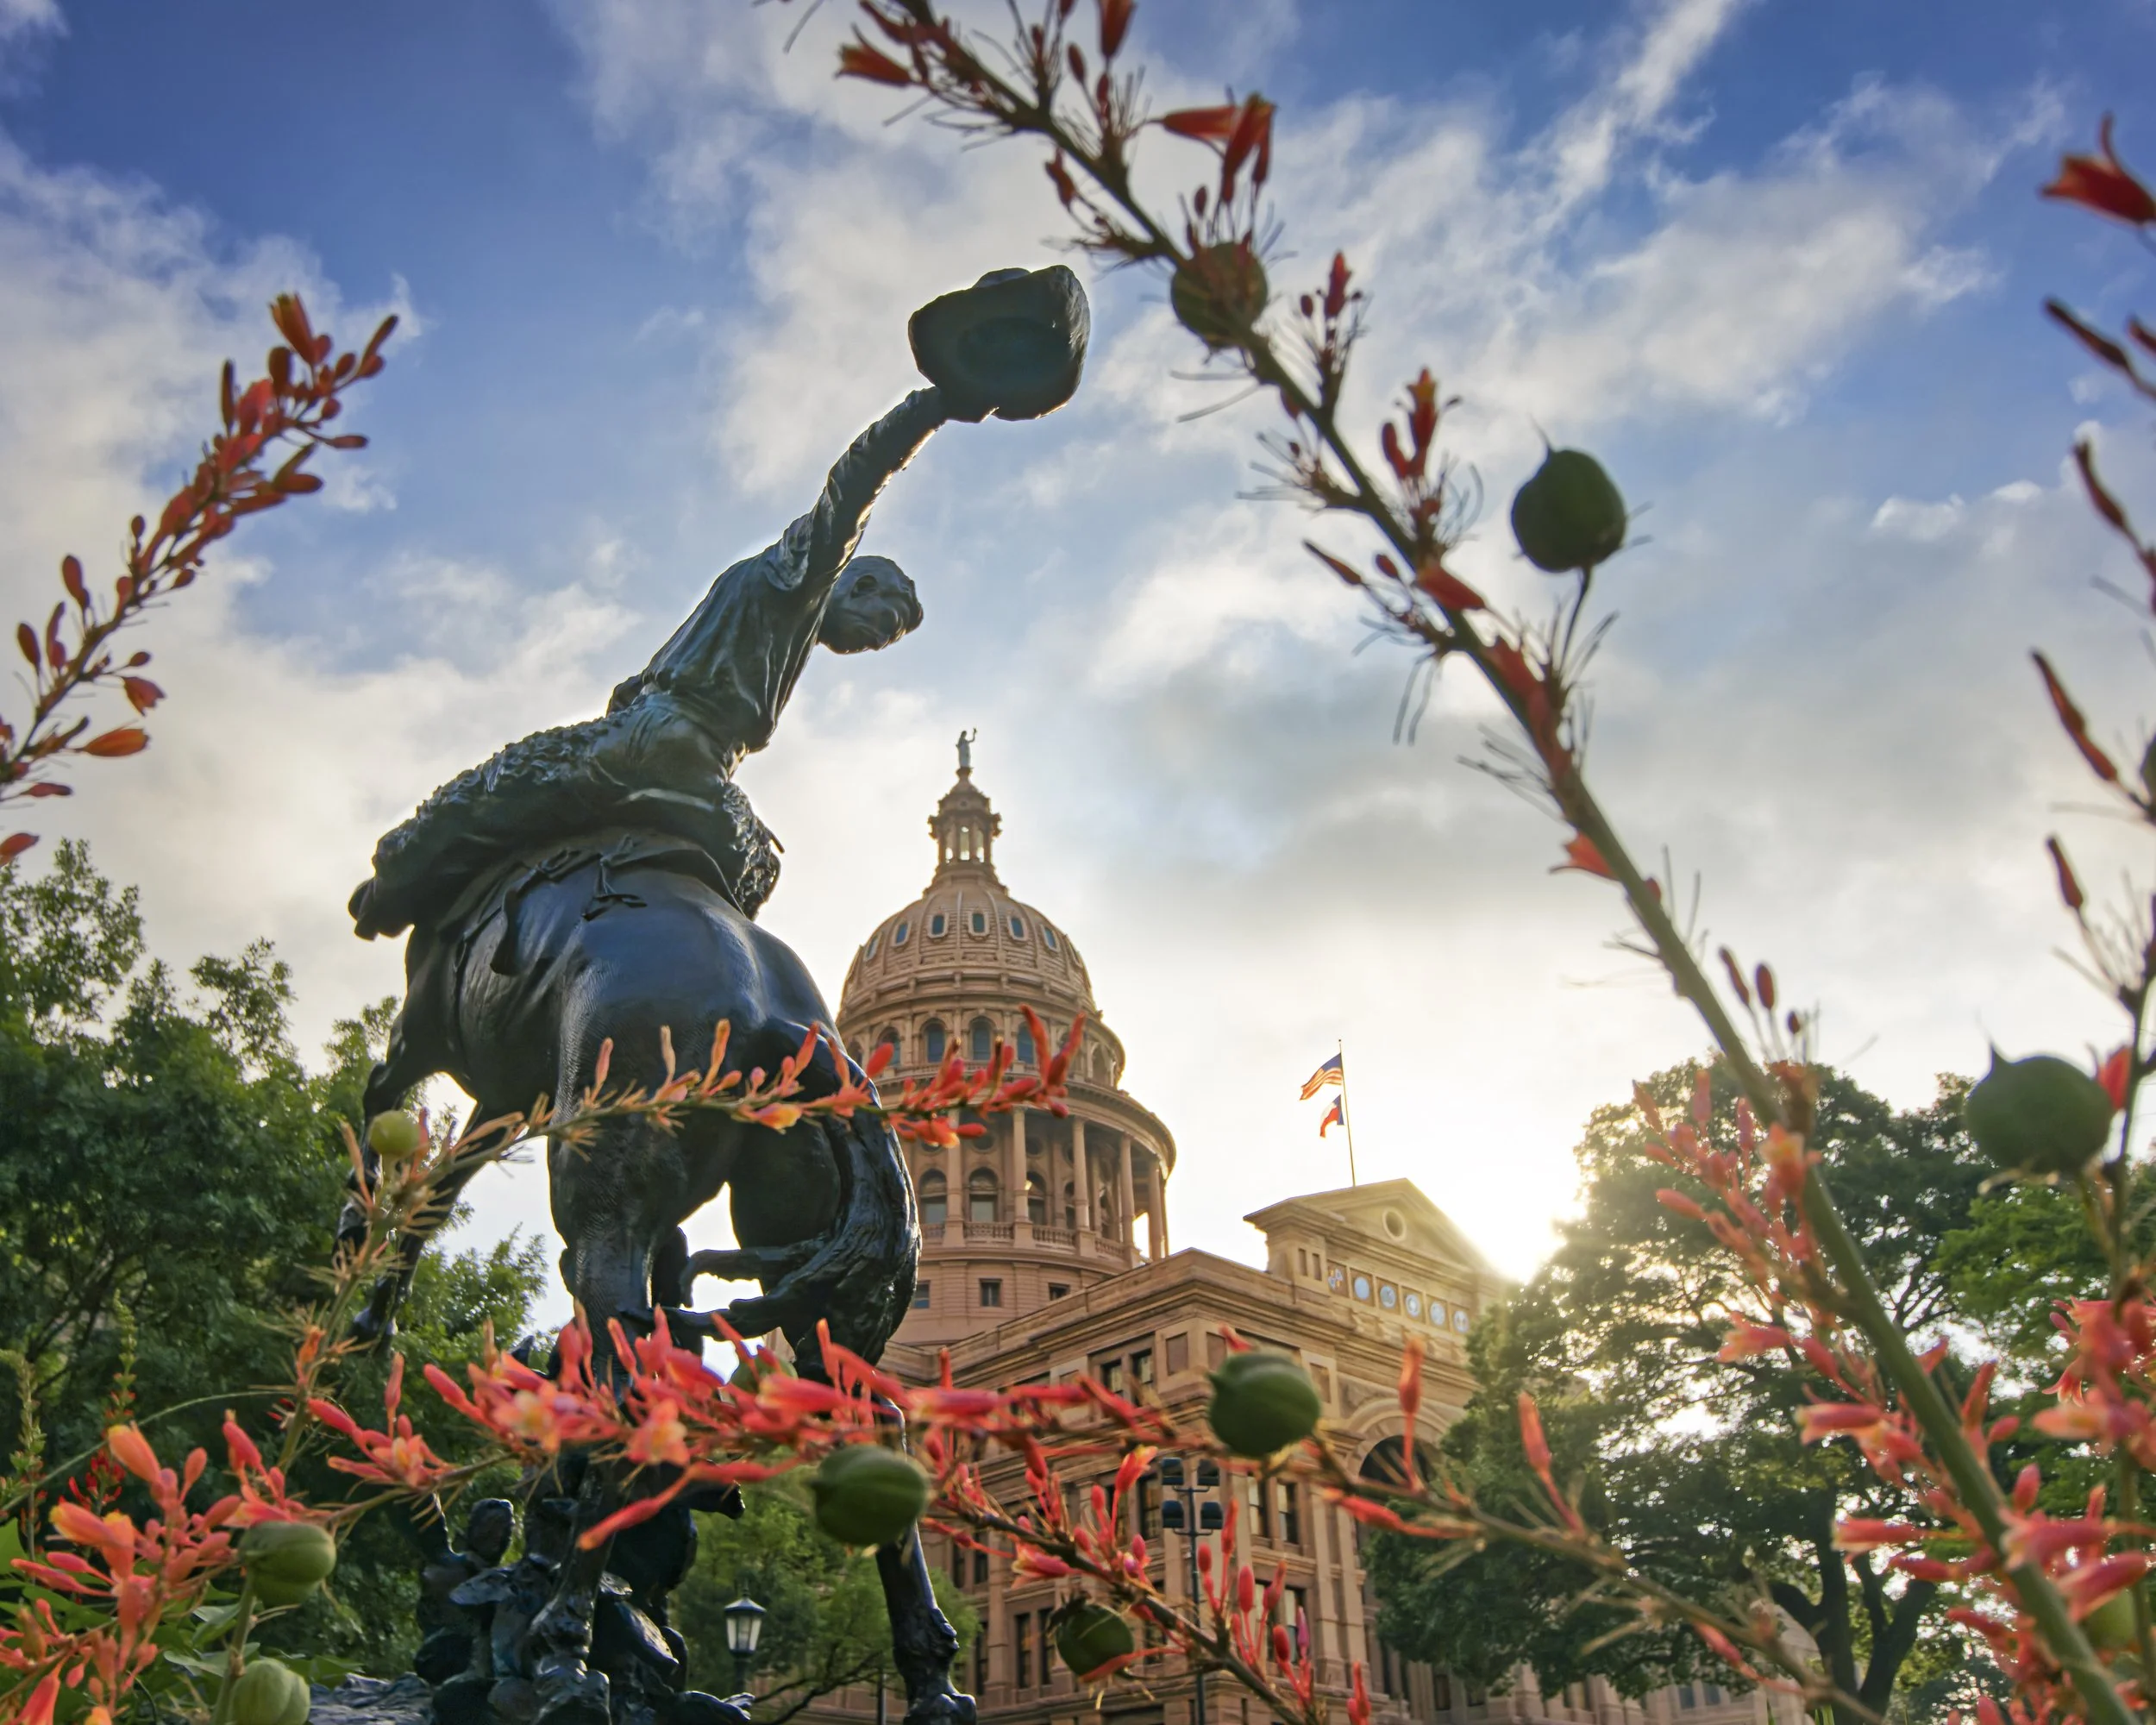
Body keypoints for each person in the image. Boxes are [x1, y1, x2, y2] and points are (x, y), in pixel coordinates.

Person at [348, 391, 940, 942]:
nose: (870, 646)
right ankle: (392, 882)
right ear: (857, 583)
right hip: (665, 744)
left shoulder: (777, 610)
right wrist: (932, 406)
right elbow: (854, 482)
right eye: (878, 628)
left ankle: (397, 878)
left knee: (490, 791)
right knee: (500, 781)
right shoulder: (804, 576)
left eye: (881, 646)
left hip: (687, 756)